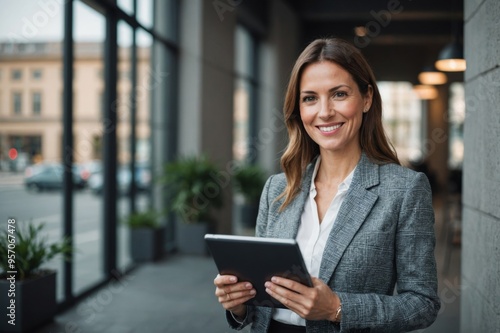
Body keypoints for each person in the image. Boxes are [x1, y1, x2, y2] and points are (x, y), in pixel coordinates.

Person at [214, 38, 440, 333]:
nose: (324, 112)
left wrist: (336, 308)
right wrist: (239, 304)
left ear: (367, 98)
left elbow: (422, 304)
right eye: (310, 98)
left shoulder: (405, 190)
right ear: (299, 108)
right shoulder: (277, 189)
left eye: (339, 94)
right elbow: (259, 302)